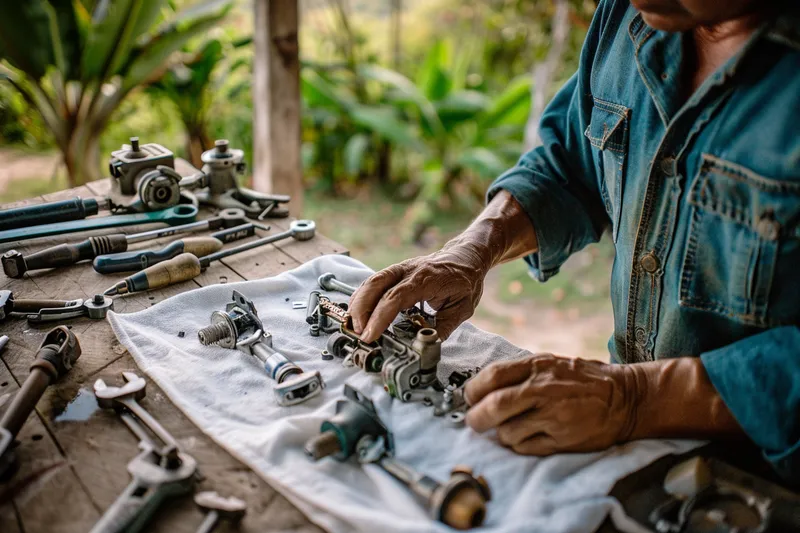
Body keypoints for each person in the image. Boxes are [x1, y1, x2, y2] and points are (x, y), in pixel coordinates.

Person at [348, 0, 800, 483]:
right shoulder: (626, 17)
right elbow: (569, 165)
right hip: (623, 448)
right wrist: (471, 250)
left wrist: (636, 398)